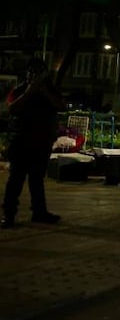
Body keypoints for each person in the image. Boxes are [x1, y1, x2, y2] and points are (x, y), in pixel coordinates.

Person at [2, 58, 65, 228]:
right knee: (15, 179)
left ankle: (39, 211)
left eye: (38, 72)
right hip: (20, 141)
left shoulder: (50, 90)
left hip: (41, 142)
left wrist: (43, 92)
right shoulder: (20, 90)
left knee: (37, 180)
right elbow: (11, 108)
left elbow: (60, 105)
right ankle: (9, 215)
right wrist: (29, 92)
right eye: (31, 72)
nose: (34, 75)